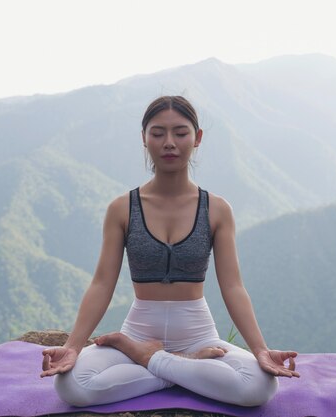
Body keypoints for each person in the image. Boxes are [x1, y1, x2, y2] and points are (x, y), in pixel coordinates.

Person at [40, 95, 299, 407]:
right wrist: (73, 346)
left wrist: (260, 350)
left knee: (259, 388)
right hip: (135, 334)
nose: (169, 143)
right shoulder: (122, 208)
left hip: (199, 335)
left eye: (180, 132)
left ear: (197, 138)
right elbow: (102, 282)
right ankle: (180, 364)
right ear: (144, 139)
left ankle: (156, 360)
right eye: (158, 133)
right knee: (71, 386)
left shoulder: (216, 209)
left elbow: (233, 286)